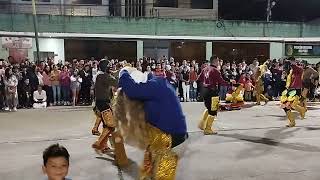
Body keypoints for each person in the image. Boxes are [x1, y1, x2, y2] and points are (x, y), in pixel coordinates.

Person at [114, 66, 188, 179]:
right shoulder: (154, 86)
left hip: (172, 143)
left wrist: (124, 71)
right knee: (147, 174)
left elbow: (132, 90)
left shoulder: (156, 85)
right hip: (161, 140)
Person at [91, 60, 118, 153]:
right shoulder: (103, 76)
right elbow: (116, 83)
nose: (111, 67)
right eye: (109, 66)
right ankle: (99, 143)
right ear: (105, 67)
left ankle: (104, 146)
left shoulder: (100, 76)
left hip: (101, 103)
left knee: (106, 125)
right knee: (111, 126)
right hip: (103, 104)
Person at [197, 56, 228, 135]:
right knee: (213, 111)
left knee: (208, 108)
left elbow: (199, 79)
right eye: (218, 61)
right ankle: (208, 129)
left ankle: (201, 124)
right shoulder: (215, 70)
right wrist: (231, 83)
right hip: (212, 92)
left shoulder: (205, 69)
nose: (219, 63)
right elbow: (221, 81)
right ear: (215, 61)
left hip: (204, 91)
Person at [280, 57, 307, 127]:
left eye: (292, 61)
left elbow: (296, 68)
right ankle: (292, 121)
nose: (290, 63)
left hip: (297, 89)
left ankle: (302, 110)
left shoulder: (300, 69)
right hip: (290, 90)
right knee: (285, 106)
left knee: (292, 105)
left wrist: (292, 64)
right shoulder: (290, 71)